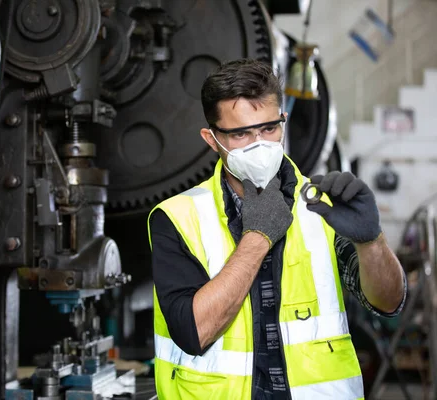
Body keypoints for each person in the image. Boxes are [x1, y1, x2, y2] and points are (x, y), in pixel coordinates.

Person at [148, 59, 406, 399]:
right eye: (240, 133)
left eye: (268, 128)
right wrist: (258, 237)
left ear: (283, 122)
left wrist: (372, 242)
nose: (258, 143)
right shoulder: (178, 216)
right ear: (212, 140)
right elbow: (194, 331)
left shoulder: (322, 206)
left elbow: (388, 303)